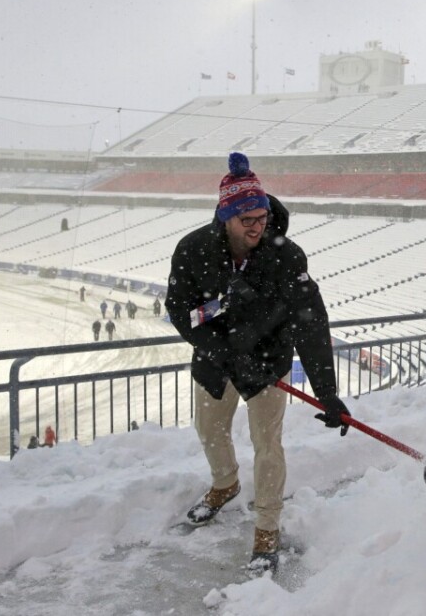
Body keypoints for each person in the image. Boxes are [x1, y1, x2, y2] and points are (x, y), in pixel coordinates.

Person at [165, 152, 351, 575]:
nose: (256, 226)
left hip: (268, 365)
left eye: (261, 216)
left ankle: (267, 528)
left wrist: (327, 393)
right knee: (209, 429)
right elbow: (181, 311)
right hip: (215, 360)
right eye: (246, 218)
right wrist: (227, 352)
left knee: (268, 446)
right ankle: (225, 482)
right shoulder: (193, 250)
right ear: (225, 216)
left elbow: (311, 323)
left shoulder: (287, 257)